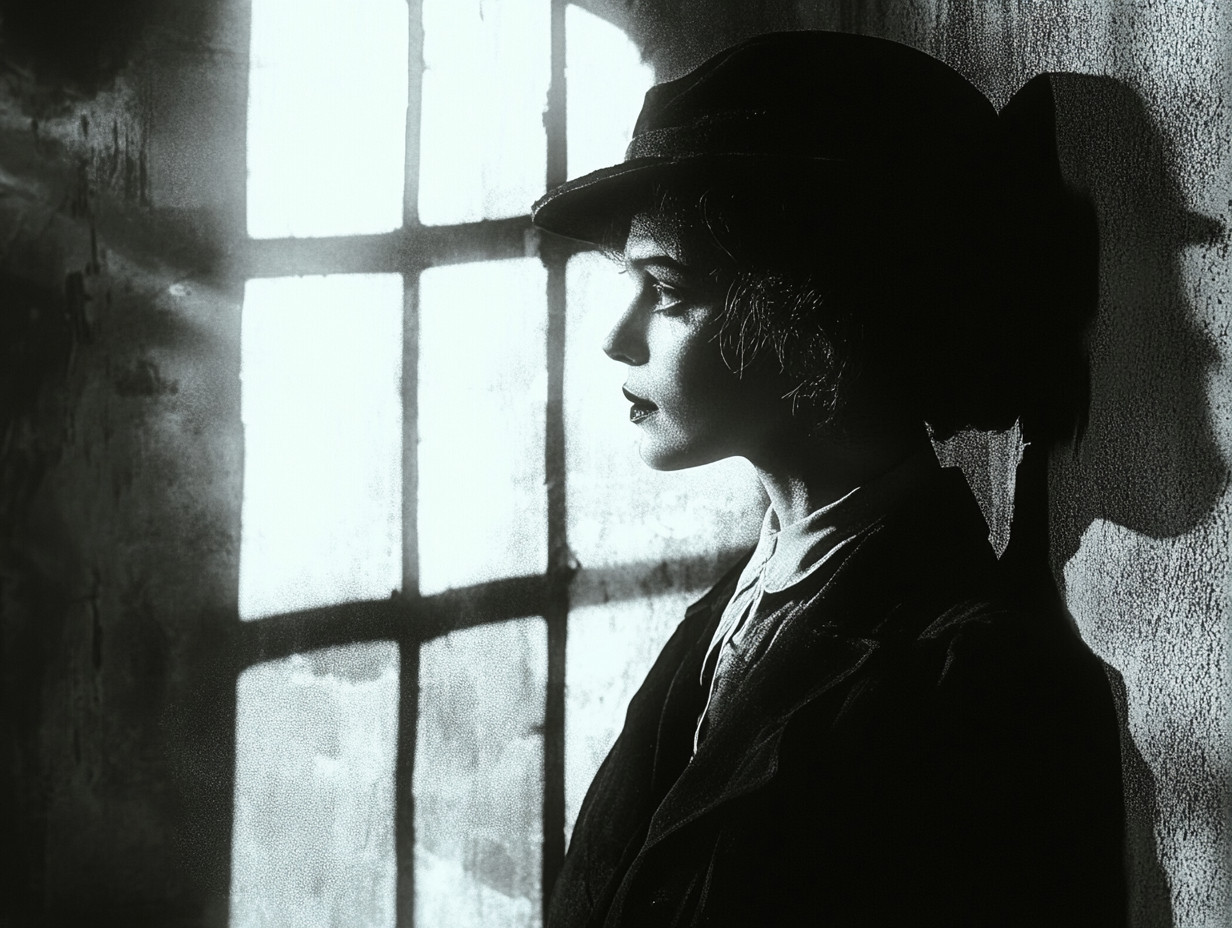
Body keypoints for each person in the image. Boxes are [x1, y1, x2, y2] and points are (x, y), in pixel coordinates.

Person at [532, 31, 1127, 927]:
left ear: (821, 312)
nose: (619, 336)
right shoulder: (731, 615)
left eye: (670, 288)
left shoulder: (982, 684)